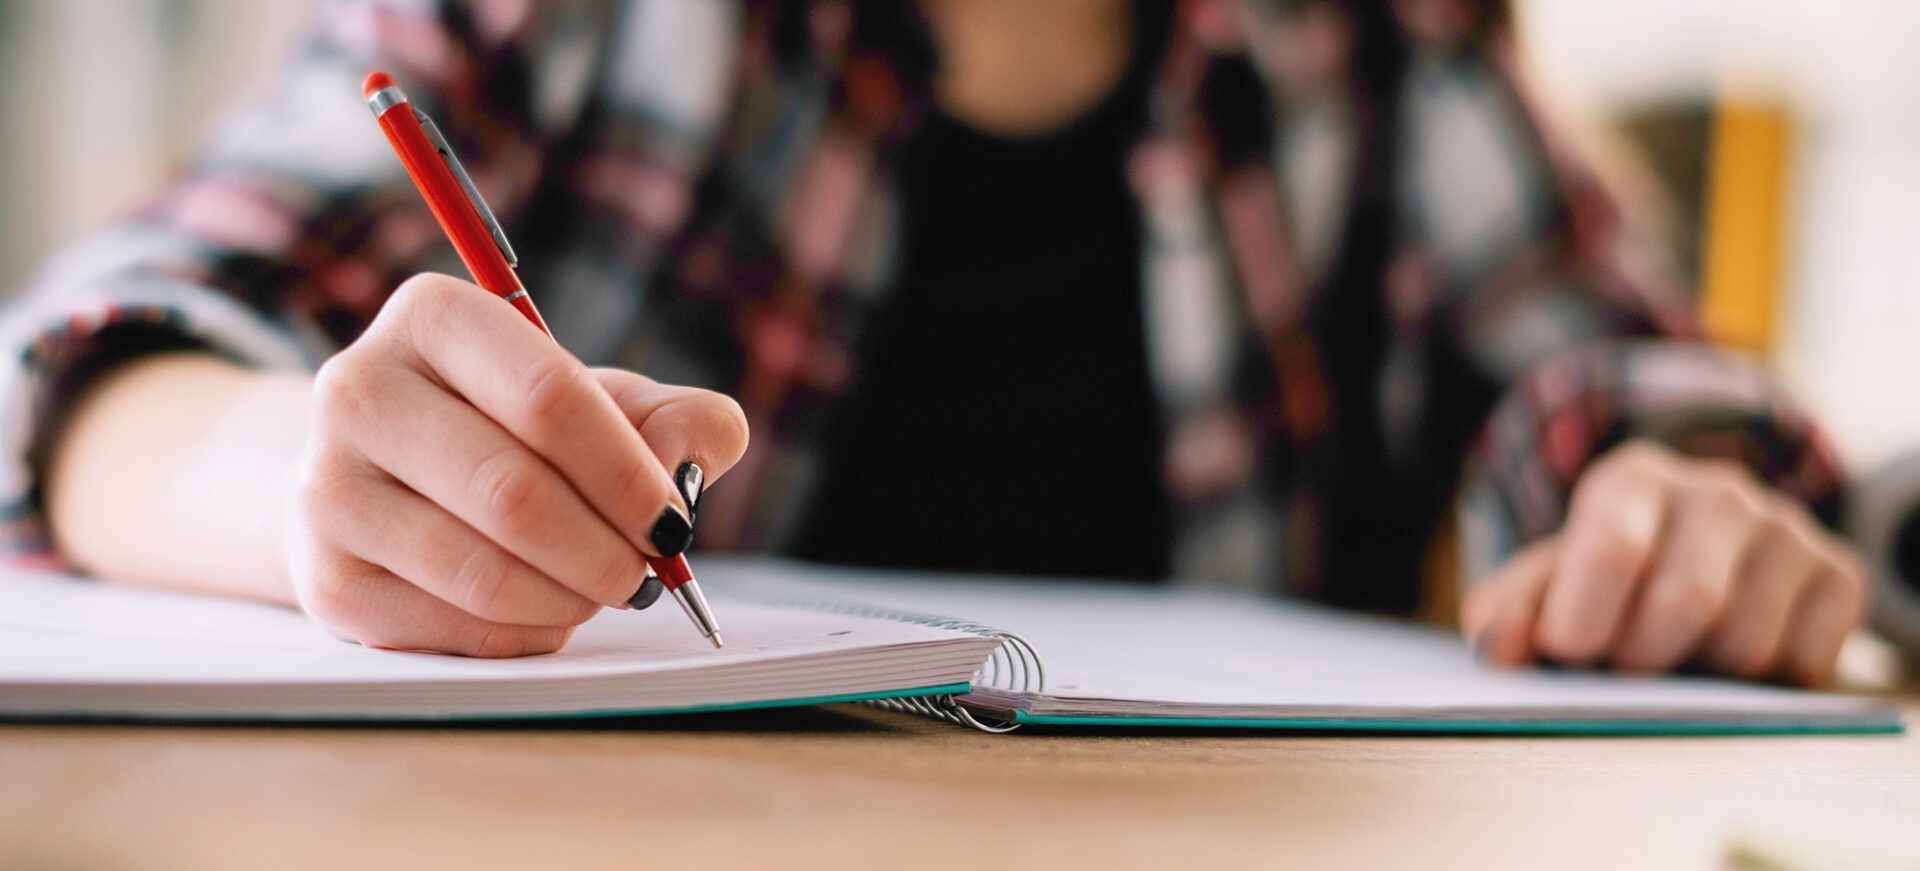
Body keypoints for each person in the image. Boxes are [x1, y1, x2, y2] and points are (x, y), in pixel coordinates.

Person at [1, 0, 1865, 684]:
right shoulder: (574, 25)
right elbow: (82, 365)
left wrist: (1662, 508)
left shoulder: (1381, 52)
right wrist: (293, 484)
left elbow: (1627, 386)